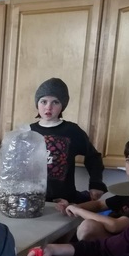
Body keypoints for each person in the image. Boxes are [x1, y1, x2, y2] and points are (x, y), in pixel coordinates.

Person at [65, 132, 129, 241]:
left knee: (88, 226)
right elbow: (100, 204)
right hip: (117, 241)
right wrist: (70, 207)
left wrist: (78, 210)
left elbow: (115, 226)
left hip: (127, 247)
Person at [30, 78, 107, 209]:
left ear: (62, 105)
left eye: (55, 102)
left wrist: (96, 183)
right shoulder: (28, 131)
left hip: (64, 202)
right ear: (37, 103)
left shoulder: (72, 131)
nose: (48, 107)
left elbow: (93, 157)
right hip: (32, 200)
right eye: (44, 101)